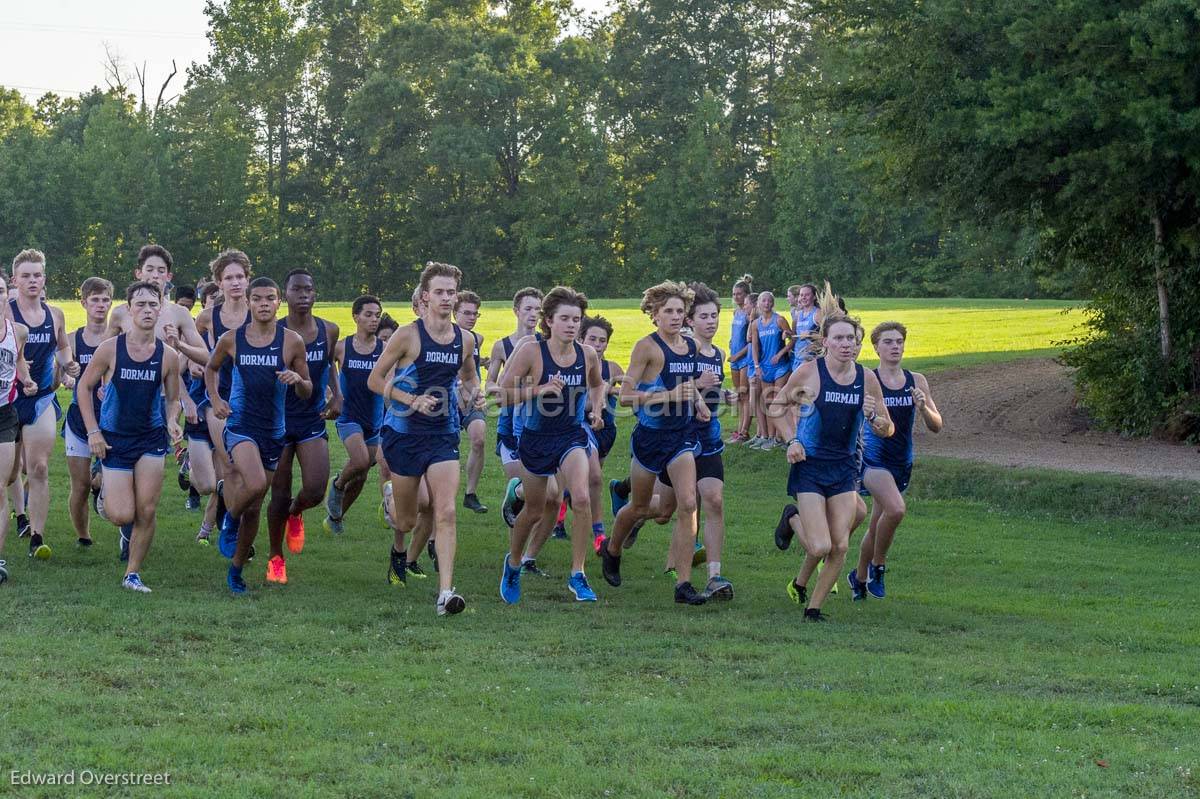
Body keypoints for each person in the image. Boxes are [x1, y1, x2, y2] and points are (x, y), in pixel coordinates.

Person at [770, 299, 893, 621]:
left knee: (840, 546)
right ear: (825, 342)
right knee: (821, 546)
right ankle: (793, 518)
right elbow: (776, 407)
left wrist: (875, 418)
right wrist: (792, 439)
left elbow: (887, 426)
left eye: (851, 339)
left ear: (858, 343)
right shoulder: (810, 372)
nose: (845, 344)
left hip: (844, 469)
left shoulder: (866, 379)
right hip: (809, 466)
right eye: (838, 338)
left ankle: (814, 609)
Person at [368, 262, 478, 616]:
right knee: (407, 522)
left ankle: (445, 593)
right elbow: (375, 380)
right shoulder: (407, 335)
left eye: (451, 292)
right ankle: (391, 500)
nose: (446, 298)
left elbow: (470, 377)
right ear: (426, 297)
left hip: (443, 433)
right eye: (440, 292)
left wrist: (472, 394)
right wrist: (410, 399)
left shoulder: (465, 339)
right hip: (403, 435)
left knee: (446, 510)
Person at [599, 281, 713, 605]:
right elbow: (624, 397)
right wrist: (668, 396)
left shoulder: (690, 346)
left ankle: (683, 585)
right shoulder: (646, 348)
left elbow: (688, 382)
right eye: (668, 311)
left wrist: (699, 404)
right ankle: (613, 549)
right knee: (640, 507)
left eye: (680, 311)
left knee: (686, 504)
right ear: (655, 314)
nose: (676, 317)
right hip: (650, 439)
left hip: (681, 437)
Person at [498, 286, 606, 604]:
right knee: (534, 510)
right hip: (535, 438)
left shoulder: (586, 354)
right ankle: (513, 564)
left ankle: (578, 574)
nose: (572, 325)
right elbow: (502, 393)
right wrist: (539, 390)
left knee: (582, 497)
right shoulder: (531, 351)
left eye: (577, 319)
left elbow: (599, 384)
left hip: (571, 435)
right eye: (565, 319)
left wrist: (597, 410)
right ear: (549, 320)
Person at [206, 276, 312, 594]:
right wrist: (215, 399)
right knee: (255, 485)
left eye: (270, 298)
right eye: (258, 298)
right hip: (240, 426)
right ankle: (229, 517)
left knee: (256, 505)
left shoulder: (291, 341)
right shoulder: (233, 339)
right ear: (249, 302)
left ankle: (236, 570)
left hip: (274, 432)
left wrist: (297, 380)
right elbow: (211, 369)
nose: (264, 304)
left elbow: (308, 391)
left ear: (278, 302)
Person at [77, 281, 183, 593]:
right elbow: (83, 388)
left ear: (161, 308)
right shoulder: (110, 349)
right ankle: (105, 497)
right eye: (141, 305)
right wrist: (93, 431)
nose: (147, 310)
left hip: (151, 438)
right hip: (114, 438)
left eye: (153, 304)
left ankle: (132, 573)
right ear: (129, 309)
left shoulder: (169, 356)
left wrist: (173, 421)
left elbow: (172, 399)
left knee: (147, 509)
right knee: (122, 513)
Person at [847, 321, 942, 600]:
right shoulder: (867, 379)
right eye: (888, 342)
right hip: (873, 460)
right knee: (897, 510)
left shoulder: (917, 380)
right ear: (876, 347)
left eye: (899, 341)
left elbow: (937, 425)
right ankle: (879, 566)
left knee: (878, 524)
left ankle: (859, 577)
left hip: (902, 460)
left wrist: (923, 409)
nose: (895, 346)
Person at [264, 269, 340, 583]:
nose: (304, 294)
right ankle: (275, 557)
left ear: (315, 293)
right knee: (278, 494)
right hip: (278, 421)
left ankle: (296, 513)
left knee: (315, 490)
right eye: (297, 289)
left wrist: (337, 393)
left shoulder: (329, 330)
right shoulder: (274, 331)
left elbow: (330, 365)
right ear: (285, 295)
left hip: (312, 418)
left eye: (308, 289)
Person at [8, 249, 79, 560]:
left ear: (44, 279)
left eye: (37, 275)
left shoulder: (55, 314)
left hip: (40, 400)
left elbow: (63, 347)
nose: (32, 280)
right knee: (9, 475)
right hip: (7, 401)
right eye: (26, 276)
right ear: (15, 280)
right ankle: (16, 515)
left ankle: (37, 537)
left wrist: (69, 366)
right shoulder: (6, 313)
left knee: (38, 467)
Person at [325, 295, 384, 536]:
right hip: (349, 416)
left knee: (361, 475)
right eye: (368, 315)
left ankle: (336, 516)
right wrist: (332, 393)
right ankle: (337, 485)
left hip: (375, 419)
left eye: (377, 315)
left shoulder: (384, 349)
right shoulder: (342, 346)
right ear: (356, 316)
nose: (373, 320)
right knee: (359, 462)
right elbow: (327, 367)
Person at [63, 277, 114, 549]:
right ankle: (84, 536)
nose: (100, 305)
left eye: (105, 300)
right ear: (83, 303)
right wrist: (66, 376)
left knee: (111, 483)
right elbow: (58, 375)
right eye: (95, 299)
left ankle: (101, 483)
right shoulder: (72, 339)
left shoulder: (118, 341)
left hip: (111, 421)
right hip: (78, 420)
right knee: (80, 485)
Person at [0, 274, 38, 584]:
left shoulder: (19, 332)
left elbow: (20, 361)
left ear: (6, 296)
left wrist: (25, 379)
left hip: (4, 415)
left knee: (5, 483)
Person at [581, 315, 623, 552]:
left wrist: (612, 389)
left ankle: (561, 512)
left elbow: (628, 391)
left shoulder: (613, 368)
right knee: (594, 477)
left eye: (602, 341)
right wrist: (599, 395)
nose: (597, 345)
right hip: (582, 426)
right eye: (592, 339)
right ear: (582, 338)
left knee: (590, 479)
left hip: (607, 429)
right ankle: (599, 534)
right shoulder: (576, 365)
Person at [186, 282, 223, 544]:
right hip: (198, 410)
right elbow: (173, 372)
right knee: (207, 484)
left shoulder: (241, 338)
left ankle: (207, 531)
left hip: (225, 410)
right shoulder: (196, 338)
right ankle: (188, 467)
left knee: (225, 479)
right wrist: (185, 399)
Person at [454, 291, 489, 513]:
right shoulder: (445, 337)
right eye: (466, 313)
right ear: (454, 313)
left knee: (479, 440)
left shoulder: (477, 339)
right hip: (446, 399)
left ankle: (470, 494)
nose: (471, 317)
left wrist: (483, 362)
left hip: (470, 398)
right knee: (448, 448)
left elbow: (470, 367)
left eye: (475, 314)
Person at [747, 290, 794, 450]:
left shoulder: (779, 320)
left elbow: (792, 340)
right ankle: (768, 437)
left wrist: (780, 353)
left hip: (781, 366)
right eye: (763, 301)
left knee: (777, 400)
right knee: (767, 401)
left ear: (772, 303)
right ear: (758, 303)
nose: (766, 304)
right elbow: (754, 346)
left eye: (769, 301)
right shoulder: (755, 324)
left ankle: (778, 438)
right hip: (765, 367)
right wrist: (757, 366)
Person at [726, 275, 753, 443]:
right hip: (734, 358)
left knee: (745, 394)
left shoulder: (750, 314)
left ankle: (744, 432)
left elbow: (751, 341)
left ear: (746, 295)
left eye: (739, 294)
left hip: (744, 358)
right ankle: (739, 429)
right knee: (739, 396)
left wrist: (738, 354)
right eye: (734, 294)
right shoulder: (736, 312)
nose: (736, 297)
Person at [790, 283, 820, 370]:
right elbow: (795, 337)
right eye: (801, 295)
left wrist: (810, 334)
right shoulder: (798, 315)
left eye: (807, 295)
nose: (803, 297)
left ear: (814, 297)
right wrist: (787, 333)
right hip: (797, 358)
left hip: (810, 360)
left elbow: (828, 335)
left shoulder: (817, 314)